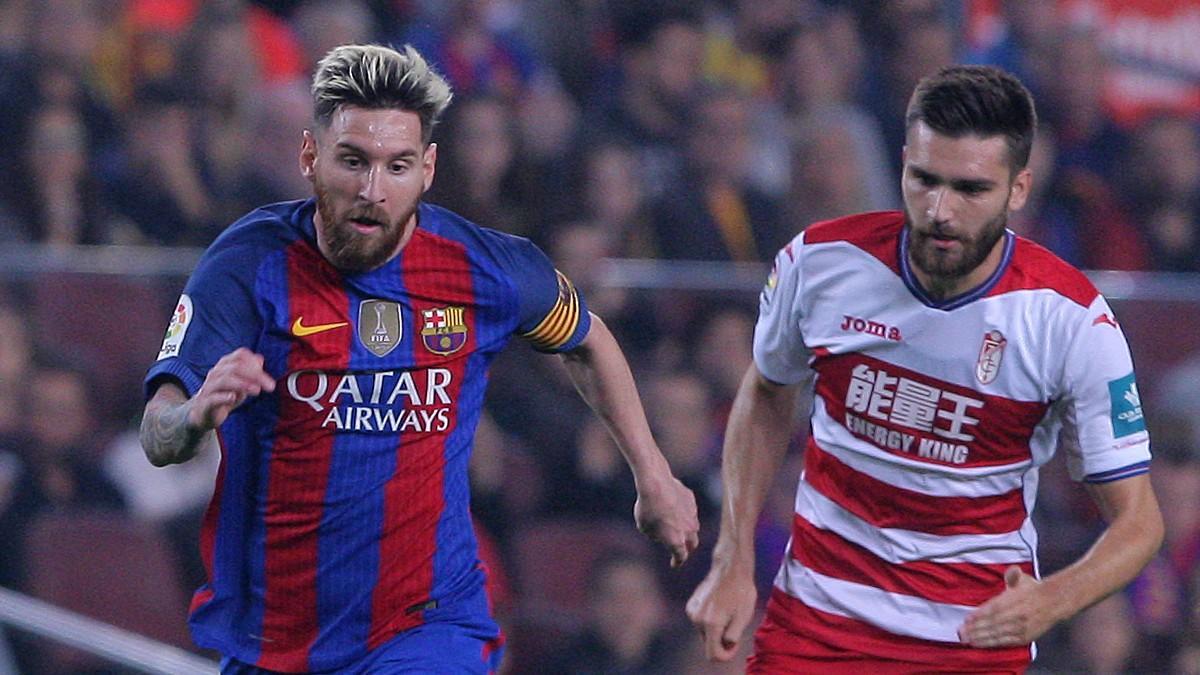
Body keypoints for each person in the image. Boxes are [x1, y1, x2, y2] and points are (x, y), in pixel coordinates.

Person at [139, 43, 699, 675]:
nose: (373, 190)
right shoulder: (247, 263)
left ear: (427, 169)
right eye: (352, 161)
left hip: (427, 623)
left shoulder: (484, 266)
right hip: (278, 636)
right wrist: (192, 418)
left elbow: (589, 340)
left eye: (396, 166)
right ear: (309, 156)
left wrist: (653, 475)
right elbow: (157, 433)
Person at [686, 65, 1164, 673]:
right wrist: (733, 559)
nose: (940, 210)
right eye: (924, 180)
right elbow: (766, 391)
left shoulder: (1071, 321)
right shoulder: (819, 263)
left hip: (974, 639)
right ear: (903, 163)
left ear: (1019, 190)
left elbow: (1139, 522)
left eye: (970, 189)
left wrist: (1052, 600)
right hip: (817, 626)